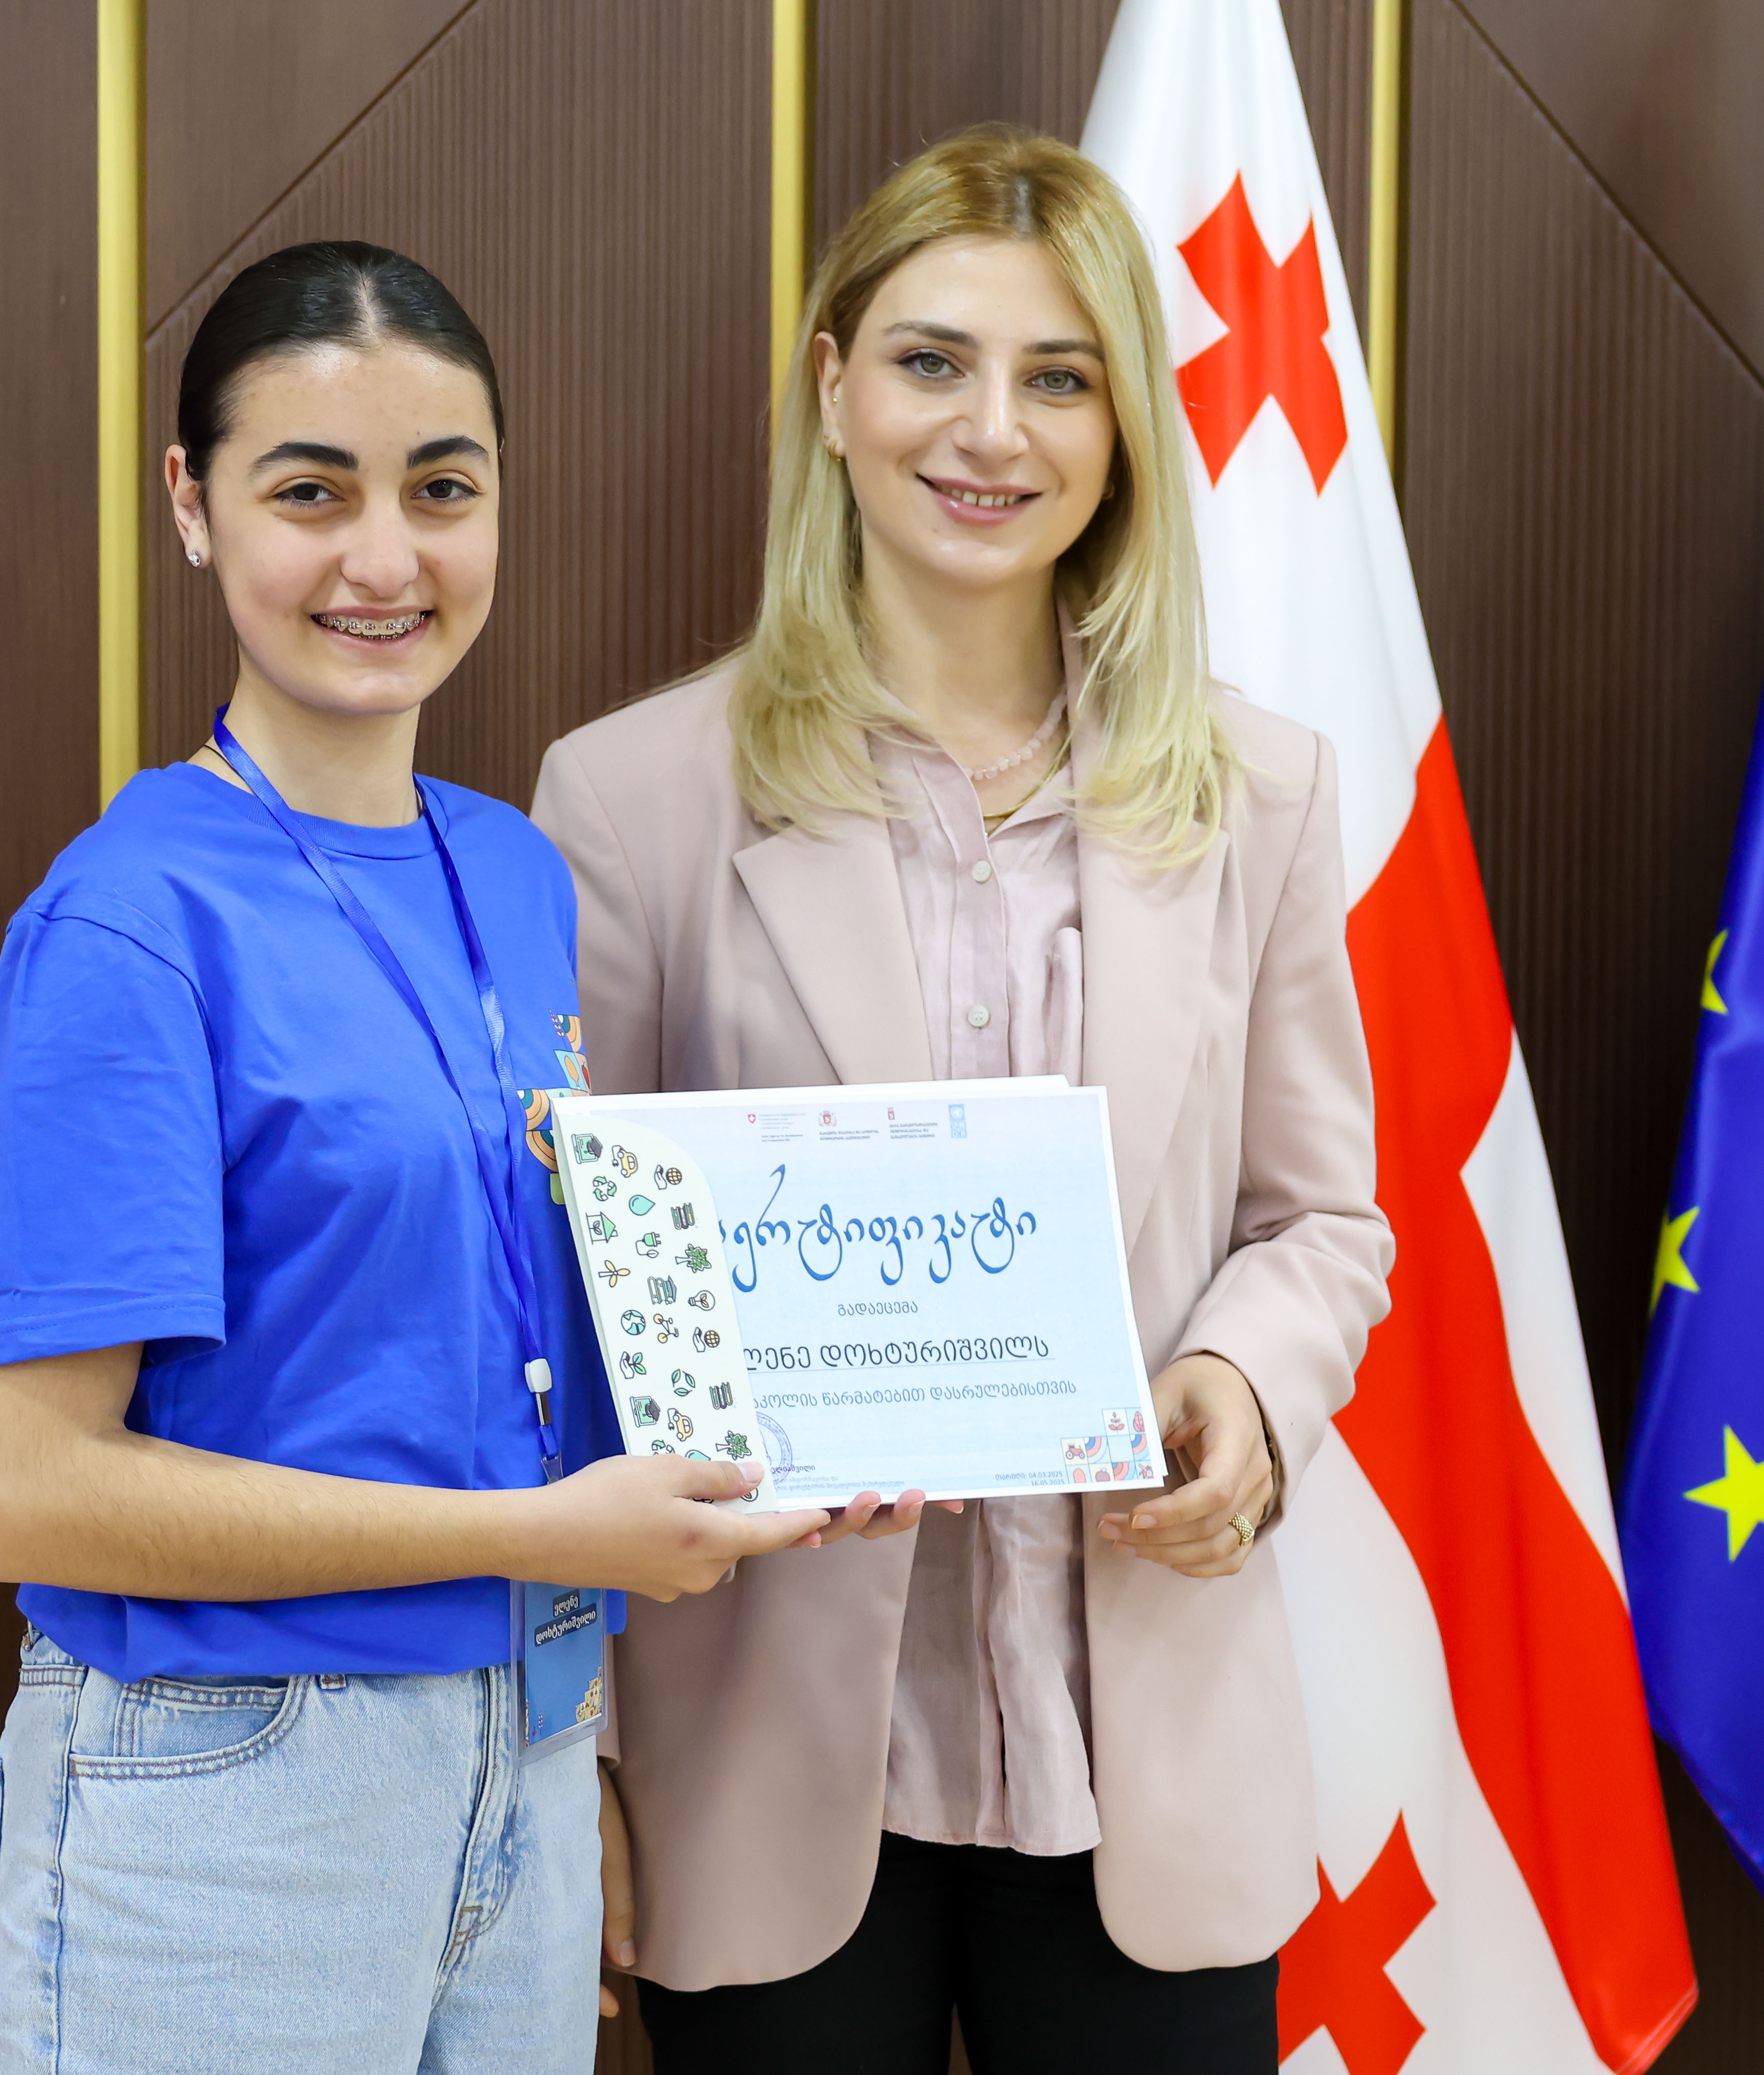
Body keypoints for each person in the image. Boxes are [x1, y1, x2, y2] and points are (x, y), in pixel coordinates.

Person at [532, 129, 1393, 2074]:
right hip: (758, 1752)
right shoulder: (629, 801)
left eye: (1059, 377)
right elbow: (569, 1308)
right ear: (833, 388)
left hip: (1141, 1763)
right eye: (932, 362)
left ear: (1122, 432)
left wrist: (1246, 1387)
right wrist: (570, 1751)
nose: (992, 431)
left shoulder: (1259, 796)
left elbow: (1320, 1219)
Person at [0, 239, 823, 2075]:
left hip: (520, 1755)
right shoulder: (130, 921)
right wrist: (529, 1540)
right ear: (191, 505)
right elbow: (27, 1492)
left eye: (441, 490)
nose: (383, 559)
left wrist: (811, 1450)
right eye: (310, 492)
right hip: (233, 1794)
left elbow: (506, 1360)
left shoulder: (514, 871)